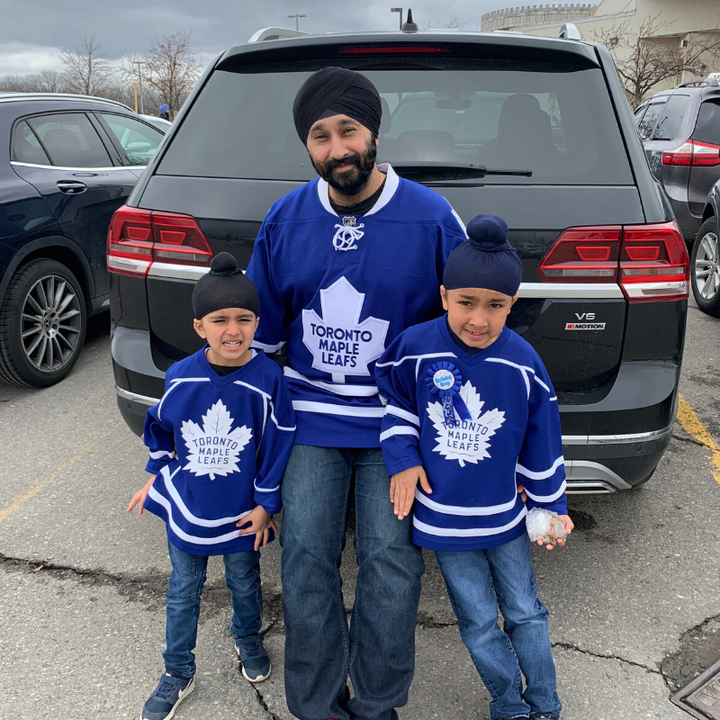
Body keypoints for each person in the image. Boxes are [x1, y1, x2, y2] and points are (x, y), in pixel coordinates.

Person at [246, 66, 468, 720]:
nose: (336, 148)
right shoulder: (286, 218)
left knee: (391, 569)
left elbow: (463, 337)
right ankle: (316, 707)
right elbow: (258, 340)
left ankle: (376, 706)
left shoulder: (429, 217)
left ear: (372, 131)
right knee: (307, 566)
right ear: (307, 146)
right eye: (319, 136)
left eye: (347, 130)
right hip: (308, 423)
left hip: (393, 432)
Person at [375, 214, 574, 720]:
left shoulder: (523, 362)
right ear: (444, 295)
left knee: (526, 612)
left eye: (496, 306)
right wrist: (401, 458)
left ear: (513, 304)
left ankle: (545, 704)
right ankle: (508, 703)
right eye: (466, 302)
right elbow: (394, 402)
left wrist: (551, 504)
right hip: (443, 524)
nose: (479, 320)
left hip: (505, 519)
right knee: (481, 622)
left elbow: (541, 437)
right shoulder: (416, 349)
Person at [127, 252, 295, 720]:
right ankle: (177, 669)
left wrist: (266, 504)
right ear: (200, 327)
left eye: (244, 318)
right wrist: (152, 478)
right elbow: (160, 428)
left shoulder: (267, 380)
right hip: (190, 503)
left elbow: (277, 443)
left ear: (257, 323)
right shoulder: (181, 377)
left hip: (241, 508)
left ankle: (247, 636)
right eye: (220, 320)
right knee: (184, 588)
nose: (233, 330)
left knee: (244, 579)